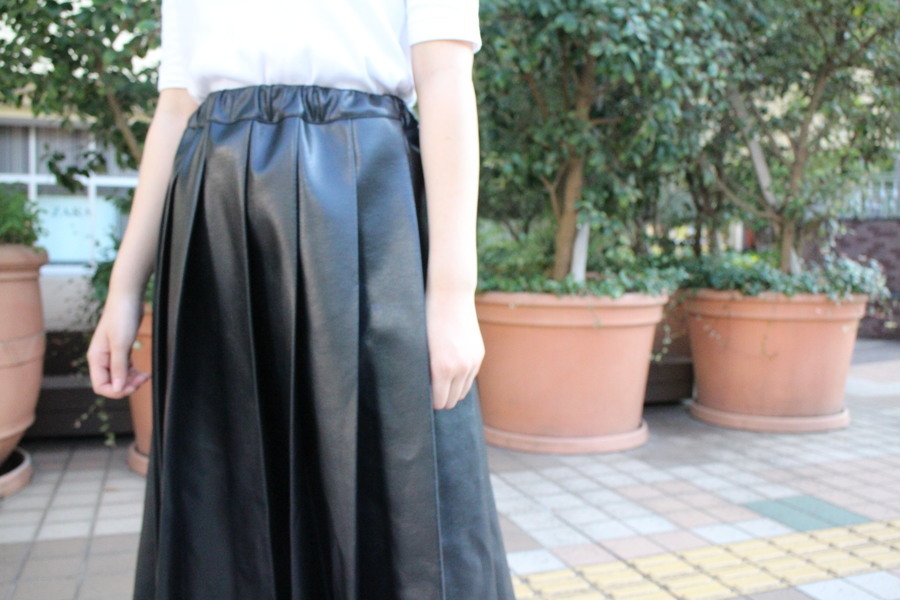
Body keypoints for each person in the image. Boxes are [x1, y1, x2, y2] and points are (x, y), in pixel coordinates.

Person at [86, 1, 516, 598]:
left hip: (366, 205)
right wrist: (124, 289)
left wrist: (451, 295)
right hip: (218, 221)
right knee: (225, 495)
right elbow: (177, 105)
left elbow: (444, 76)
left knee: (394, 485)